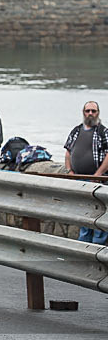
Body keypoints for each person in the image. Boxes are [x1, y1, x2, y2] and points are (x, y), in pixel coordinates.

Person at [64, 101, 108, 244]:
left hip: (98, 180)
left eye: (93, 111)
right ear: (83, 112)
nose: (90, 114)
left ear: (98, 113)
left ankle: (98, 246)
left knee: (99, 214)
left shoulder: (103, 132)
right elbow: (68, 152)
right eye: (87, 111)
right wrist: (70, 171)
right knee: (84, 214)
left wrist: (98, 174)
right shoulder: (76, 131)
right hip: (79, 179)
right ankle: (84, 244)